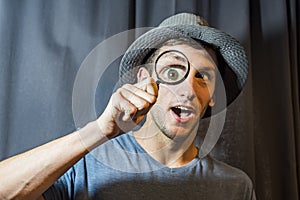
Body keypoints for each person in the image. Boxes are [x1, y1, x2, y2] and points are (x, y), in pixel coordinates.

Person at [0, 13, 255, 199]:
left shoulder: (235, 187)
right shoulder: (85, 166)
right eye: (173, 71)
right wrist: (99, 131)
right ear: (144, 80)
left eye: (203, 77)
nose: (188, 89)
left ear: (213, 95)